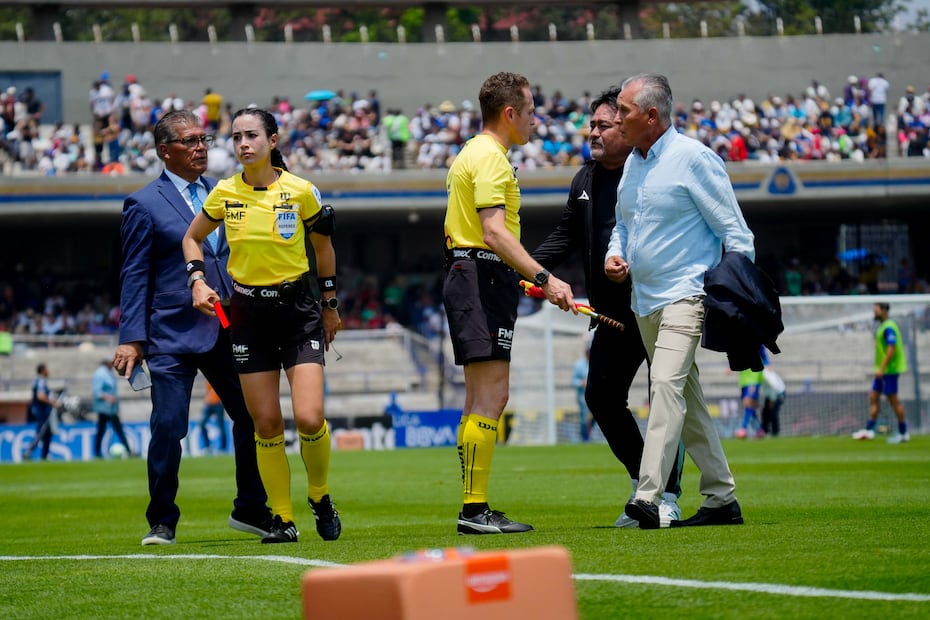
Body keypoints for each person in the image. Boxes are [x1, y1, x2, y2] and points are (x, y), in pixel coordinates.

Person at [182, 107, 343, 544]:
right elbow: (192, 237)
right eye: (235, 137)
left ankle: (320, 496)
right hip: (248, 316)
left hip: (298, 314)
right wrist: (197, 280)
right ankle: (283, 518)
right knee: (266, 423)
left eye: (251, 135)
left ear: (273, 140)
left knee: (309, 418)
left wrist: (329, 305)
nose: (242, 144)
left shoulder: (302, 191)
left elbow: (323, 249)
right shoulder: (223, 193)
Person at [113, 109, 272, 546]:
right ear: (166, 151)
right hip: (169, 336)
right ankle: (162, 520)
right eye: (189, 141)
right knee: (169, 425)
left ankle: (251, 509)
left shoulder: (223, 192)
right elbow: (134, 274)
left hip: (225, 326)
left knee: (255, 417)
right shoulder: (143, 204)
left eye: (203, 139)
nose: (201, 147)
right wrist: (132, 338)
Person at [606, 74, 755, 528]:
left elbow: (737, 235)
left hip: (687, 296)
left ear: (651, 116)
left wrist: (735, 298)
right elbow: (624, 226)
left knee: (664, 387)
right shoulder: (632, 164)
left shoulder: (694, 159)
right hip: (643, 301)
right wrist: (616, 252)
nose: (616, 119)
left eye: (623, 111)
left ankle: (649, 494)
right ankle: (721, 498)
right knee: (685, 398)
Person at [531, 86, 683, 527]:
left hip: (656, 306)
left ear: (627, 126)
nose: (592, 132)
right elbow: (565, 234)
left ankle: (666, 495)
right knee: (600, 395)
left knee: (666, 399)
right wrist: (520, 267)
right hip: (611, 317)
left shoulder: (650, 173)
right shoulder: (584, 179)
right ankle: (646, 487)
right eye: (591, 124)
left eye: (603, 125)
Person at [443, 71, 576, 535]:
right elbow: (493, 231)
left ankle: (473, 505)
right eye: (532, 110)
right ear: (510, 112)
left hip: (474, 275)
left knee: (477, 397)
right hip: (480, 276)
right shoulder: (491, 157)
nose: (537, 120)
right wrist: (544, 277)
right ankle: (475, 510)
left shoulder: (474, 152)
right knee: (492, 397)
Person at [853, 303, 910, 443]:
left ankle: (904, 432)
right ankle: (869, 430)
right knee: (873, 396)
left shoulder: (889, 327)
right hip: (883, 371)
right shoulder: (884, 326)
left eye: (876, 309)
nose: (874, 312)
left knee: (893, 401)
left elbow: (891, 348)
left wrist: (882, 368)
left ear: (884, 310)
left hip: (889, 371)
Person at [91, 359, 133, 458]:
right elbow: (97, 392)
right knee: (112, 430)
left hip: (110, 409)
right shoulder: (100, 374)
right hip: (105, 409)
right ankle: (128, 450)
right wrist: (109, 398)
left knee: (105, 430)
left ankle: (97, 453)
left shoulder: (106, 373)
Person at [22, 363, 61, 461]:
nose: (48, 371)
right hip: (42, 412)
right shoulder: (40, 381)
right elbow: (41, 396)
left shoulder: (40, 381)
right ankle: (28, 452)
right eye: (47, 369)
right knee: (41, 433)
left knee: (47, 434)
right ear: (43, 370)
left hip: (44, 412)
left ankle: (45, 455)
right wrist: (52, 403)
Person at [735, 346, 770, 439]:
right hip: (744, 379)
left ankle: (743, 429)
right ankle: (759, 430)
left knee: (749, 403)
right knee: (748, 405)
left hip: (754, 377)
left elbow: (764, 356)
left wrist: (767, 364)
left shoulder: (756, 339)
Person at [569, 344, 592, 442]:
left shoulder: (597, 363)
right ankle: (585, 439)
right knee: (584, 416)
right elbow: (573, 381)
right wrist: (581, 383)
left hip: (596, 396)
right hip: (583, 397)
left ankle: (590, 435)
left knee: (596, 416)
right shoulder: (579, 365)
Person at [199, 381, 227, 454]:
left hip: (218, 404)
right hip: (209, 403)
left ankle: (222, 448)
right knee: (201, 424)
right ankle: (207, 446)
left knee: (221, 426)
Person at [760, 367, 786, 437]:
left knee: (773, 412)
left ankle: (775, 432)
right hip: (770, 395)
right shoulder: (761, 373)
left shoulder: (765, 375)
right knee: (765, 412)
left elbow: (775, 386)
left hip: (778, 393)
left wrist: (772, 400)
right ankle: (764, 431)